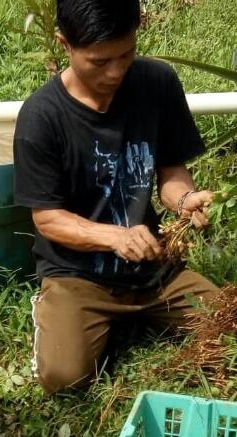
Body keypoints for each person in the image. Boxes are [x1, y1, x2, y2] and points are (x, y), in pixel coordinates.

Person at [13, 0, 219, 394]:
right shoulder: (41, 117)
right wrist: (116, 237)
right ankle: (60, 311)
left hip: (154, 267)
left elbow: (170, 173)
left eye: (126, 54)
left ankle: (138, 314)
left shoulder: (157, 82)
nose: (116, 71)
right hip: (78, 275)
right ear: (64, 44)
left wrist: (184, 199)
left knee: (235, 323)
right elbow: (48, 218)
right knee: (64, 377)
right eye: (99, 61)